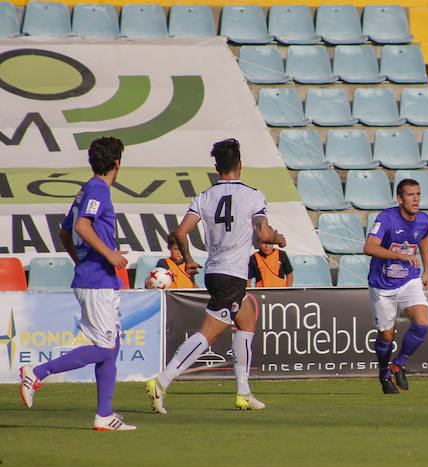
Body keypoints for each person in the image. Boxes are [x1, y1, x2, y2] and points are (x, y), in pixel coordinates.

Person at [145, 138, 285, 413]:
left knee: (246, 320)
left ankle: (244, 392)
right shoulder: (253, 195)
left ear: (217, 167)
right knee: (208, 334)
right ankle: (162, 381)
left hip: (215, 270)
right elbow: (263, 234)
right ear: (240, 165)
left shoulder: (204, 197)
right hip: (232, 275)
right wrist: (278, 238)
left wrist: (188, 260)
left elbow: (180, 233)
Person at [18, 137, 135, 431]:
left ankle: (104, 415)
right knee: (105, 348)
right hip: (97, 281)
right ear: (117, 163)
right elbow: (82, 225)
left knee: (112, 345)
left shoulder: (86, 189)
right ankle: (37, 372)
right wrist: (107, 253)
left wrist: (80, 260)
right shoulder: (97, 189)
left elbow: (65, 232)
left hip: (96, 277)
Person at [364, 178, 428, 394]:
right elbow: (369, 247)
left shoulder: (424, 220)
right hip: (382, 285)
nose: (416, 199)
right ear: (399, 198)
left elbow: (424, 237)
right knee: (386, 336)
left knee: (423, 323)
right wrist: (400, 256)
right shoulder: (386, 218)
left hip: (409, 280)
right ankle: (384, 372)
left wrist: (427, 270)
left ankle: (398, 364)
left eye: (418, 194)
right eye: (411, 195)